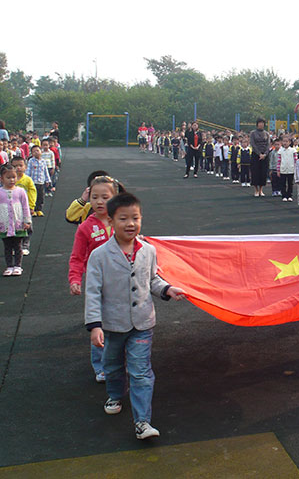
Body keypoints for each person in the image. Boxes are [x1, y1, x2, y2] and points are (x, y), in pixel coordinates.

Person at [84, 192, 188, 439]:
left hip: (142, 323)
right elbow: (93, 292)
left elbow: (152, 279)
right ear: (110, 221)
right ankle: (115, 394)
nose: (130, 224)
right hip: (112, 324)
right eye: (123, 219)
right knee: (112, 366)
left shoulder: (148, 251)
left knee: (141, 371)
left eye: (135, 218)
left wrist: (167, 289)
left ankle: (143, 421)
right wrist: (95, 325)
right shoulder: (99, 255)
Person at [69, 176, 119, 382]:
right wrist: (75, 278)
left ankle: (120, 360)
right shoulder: (85, 228)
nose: (99, 201)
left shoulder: (122, 221)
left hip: (121, 281)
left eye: (105, 197)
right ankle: (101, 366)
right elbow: (77, 256)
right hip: (97, 283)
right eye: (94, 197)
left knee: (119, 323)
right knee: (98, 324)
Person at [0, 163, 31, 277]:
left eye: (14, 177)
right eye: (8, 177)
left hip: (18, 223)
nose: (12, 180)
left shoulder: (20, 191)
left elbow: (25, 206)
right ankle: (9, 266)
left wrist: (27, 220)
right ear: (2, 178)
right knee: (7, 246)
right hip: (4, 223)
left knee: (18, 245)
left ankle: (18, 266)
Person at [11, 157, 36, 256]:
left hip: (25, 208)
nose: (18, 168)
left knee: (27, 227)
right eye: (15, 166)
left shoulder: (28, 180)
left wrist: (31, 205)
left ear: (25, 167)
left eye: (20, 165)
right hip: (13, 208)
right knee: (14, 227)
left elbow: (32, 192)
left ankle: (25, 246)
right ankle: (16, 246)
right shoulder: (10, 180)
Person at [26, 145, 51, 217]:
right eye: (34, 151)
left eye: (37, 150)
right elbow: (28, 171)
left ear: (41, 151)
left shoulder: (43, 161)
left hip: (41, 182)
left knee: (41, 197)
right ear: (32, 154)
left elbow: (45, 171)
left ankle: (39, 210)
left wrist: (48, 180)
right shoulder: (31, 161)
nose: (36, 152)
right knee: (33, 197)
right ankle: (33, 210)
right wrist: (27, 180)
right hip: (33, 182)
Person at [249, 119, 270, 197]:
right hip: (256, 155)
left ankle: (261, 190)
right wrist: (259, 154)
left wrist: (265, 154)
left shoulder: (267, 134)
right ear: (257, 124)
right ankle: (256, 190)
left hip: (264, 155)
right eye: (259, 123)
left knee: (263, 173)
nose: (261, 125)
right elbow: (253, 144)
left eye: (262, 123)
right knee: (255, 172)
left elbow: (268, 145)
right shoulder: (253, 133)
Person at [277, 135, 296, 202]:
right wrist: (278, 170)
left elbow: (295, 160)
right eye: (284, 141)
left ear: (290, 142)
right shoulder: (280, 151)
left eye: (286, 141)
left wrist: (296, 169)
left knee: (290, 183)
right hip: (283, 169)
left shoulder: (293, 150)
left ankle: (289, 195)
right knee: (283, 183)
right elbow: (279, 161)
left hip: (291, 169)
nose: (285, 143)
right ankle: (284, 195)